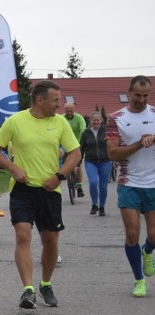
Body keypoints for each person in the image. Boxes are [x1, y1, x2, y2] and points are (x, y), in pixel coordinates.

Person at [0, 80, 81, 309]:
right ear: (40, 100)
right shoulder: (16, 121)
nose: (59, 105)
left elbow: (75, 154)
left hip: (50, 190)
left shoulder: (60, 123)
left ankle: (45, 284)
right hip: (23, 190)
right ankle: (27, 290)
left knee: (50, 240)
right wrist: (13, 168)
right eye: (55, 100)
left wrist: (59, 176)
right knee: (22, 235)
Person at [106, 75, 155, 298]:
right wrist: (138, 143)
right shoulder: (116, 119)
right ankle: (139, 280)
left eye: (146, 95)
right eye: (138, 95)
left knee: (153, 235)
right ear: (129, 92)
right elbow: (112, 153)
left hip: (153, 183)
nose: (142, 99)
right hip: (129, 183)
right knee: (132, 233)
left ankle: (147, 251)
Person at [79, 111, 111, 216]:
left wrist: (116, 159)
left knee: (103, 186)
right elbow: (81, 149)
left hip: (105, 161)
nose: (96, 122)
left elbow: (112, 146)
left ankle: (102, 207)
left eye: (98, 120)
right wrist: (77, 164)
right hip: (90, 161)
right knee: (93, 183)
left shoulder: (107, 131)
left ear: (101, 121)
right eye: (94, 120)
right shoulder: (85, 133)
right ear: (90, 121)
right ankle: (94, 204)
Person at [63, 102, 87, 197]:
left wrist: (78, 143)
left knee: (78, 164)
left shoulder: (79, 118)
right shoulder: (61, 118)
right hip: (64, 144)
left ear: (74, 110)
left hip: (77, 143)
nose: (69, 112)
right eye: (67, 111)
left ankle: (79, 186)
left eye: (71, 111)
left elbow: (83, 130)